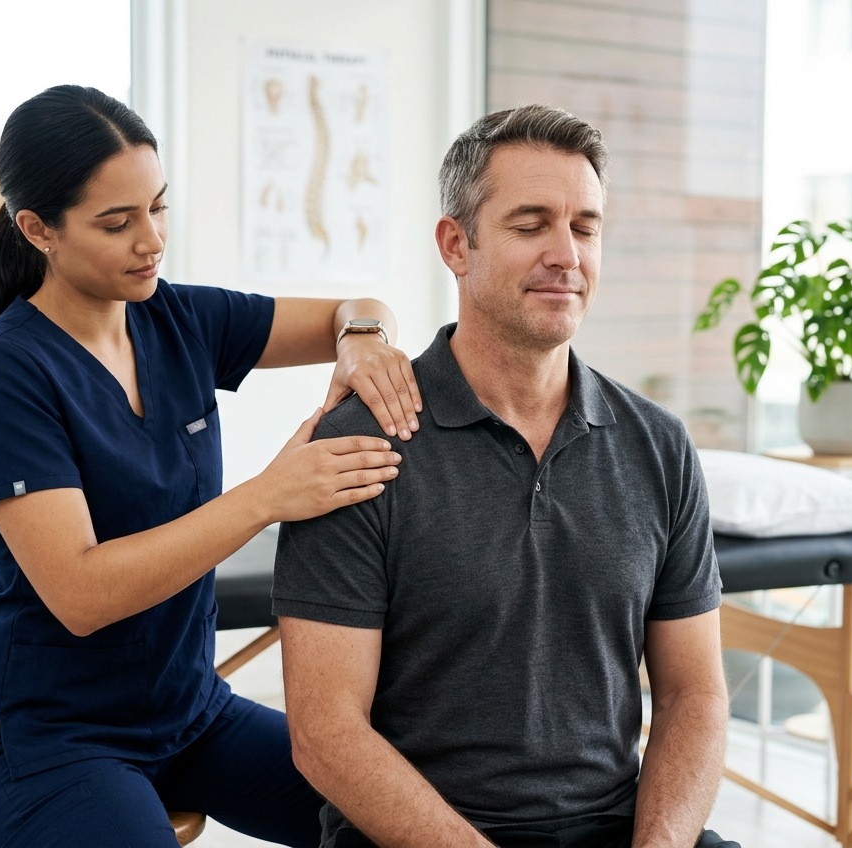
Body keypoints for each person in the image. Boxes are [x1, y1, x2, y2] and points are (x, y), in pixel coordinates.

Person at [0, 84, 423, 848]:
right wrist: (267, 497)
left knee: (402, 815)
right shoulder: (3, 373)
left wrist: (364, 336)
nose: (152, 242)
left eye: (157, 208)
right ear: (38, 229)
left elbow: (352, 308)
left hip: (192, 713)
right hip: (52, 739)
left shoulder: (180, 318)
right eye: (117, 222)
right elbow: (80, 592)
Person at [273, 104, 737, 848]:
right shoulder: (359, 444)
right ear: (456, 245)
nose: (567, 254)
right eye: (531, 226)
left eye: (585, 228)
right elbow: (326, 735)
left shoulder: (659, 445)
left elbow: (695, 694)